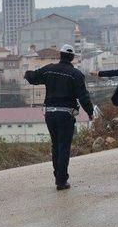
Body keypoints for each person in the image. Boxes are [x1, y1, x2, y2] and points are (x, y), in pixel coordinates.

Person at [24, 44, 94, 190]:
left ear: (60, 55)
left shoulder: (49, 69)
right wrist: (90, 112)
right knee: (63, 147)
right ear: (72, 58)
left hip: (49, 114)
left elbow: (33, 77)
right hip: (66, 115)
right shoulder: (76, 74)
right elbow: (83, 96)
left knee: (55, 145)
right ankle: (61, 180)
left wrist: (27, 72)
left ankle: (58, 175)